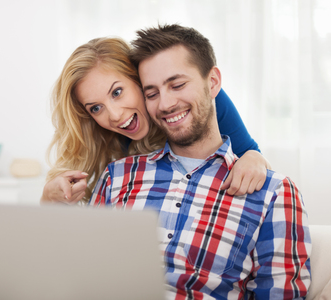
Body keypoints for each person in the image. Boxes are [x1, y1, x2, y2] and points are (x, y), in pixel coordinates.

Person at [89, 24, 311, 299]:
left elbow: (279, 292)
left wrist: (253, 156)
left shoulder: (274, 193)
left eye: (178, 84)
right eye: (152, 93)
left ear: (213, 82)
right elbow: (81, 272)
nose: (166, 103)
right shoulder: (116, 176)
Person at [42, 37, 270, 204]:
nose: (114, 115)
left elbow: (251, 153)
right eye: (96, 108)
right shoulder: (108, 139)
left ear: (141, 80)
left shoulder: (204, 100)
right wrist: (48, 202)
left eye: (117, 92)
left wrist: (254, 158)